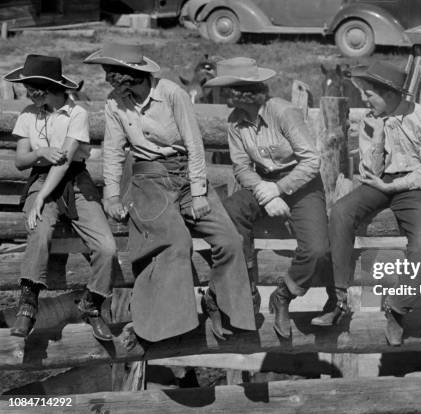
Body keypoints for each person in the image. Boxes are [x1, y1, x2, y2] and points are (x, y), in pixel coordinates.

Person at [83, 43, 256, 343]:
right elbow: (112, 150)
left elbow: (194, 144)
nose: (108, 78)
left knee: (230, 240)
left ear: (131, 73)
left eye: (112, 72)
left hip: (188, 177)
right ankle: (162, 327)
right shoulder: (115, 103)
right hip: (149, 181)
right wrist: (111, 195)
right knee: (176, 242)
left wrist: (200, 193)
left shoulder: (171, 94)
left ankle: (216, 299)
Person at [203, 57, 333, 339]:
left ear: (242, 92)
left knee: (318, 250)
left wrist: (279, 189)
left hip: (301, 182)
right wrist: (263, 190)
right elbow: (240, 167)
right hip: (262, 182)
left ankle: (284, 294)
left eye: (228, 89)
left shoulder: (282, 112)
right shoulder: (235, 121)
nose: (224, 95)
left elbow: (311, 162)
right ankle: (246, 295)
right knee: (229, 213)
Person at [314, 61, 421, 346]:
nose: (366, 99)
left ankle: (397, 307)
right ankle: (339, 298)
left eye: (370, 94)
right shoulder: (370, 119)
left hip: (413, 186)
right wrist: (378, 135)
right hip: (378, 183)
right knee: (341, 211)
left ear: (391, 94)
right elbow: (368, 169)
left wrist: (393, 185)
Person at [5, 54, 117, 340]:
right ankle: (28, 304)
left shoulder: (76, 114)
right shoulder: (29, 114)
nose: (27, 91)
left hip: (75, 181)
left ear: (45, 87)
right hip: (41, 177)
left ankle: (92, 304)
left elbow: (65, 162)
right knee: (39, 230)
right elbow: (20, 161)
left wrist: (42, 197)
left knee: (106, 247)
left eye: (31, 86)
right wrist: (40, 153)